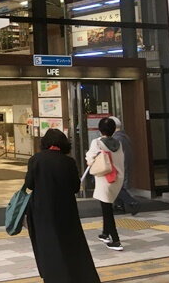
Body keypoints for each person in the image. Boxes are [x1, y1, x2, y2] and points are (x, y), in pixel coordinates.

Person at [25, 129, 100, 283]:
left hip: (42, 210)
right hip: (66, 210)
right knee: (71, 243)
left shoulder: (35, 159)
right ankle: (78, 276)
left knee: (47, 244)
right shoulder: (69, 161)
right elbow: (75, 187)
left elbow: (30, 184)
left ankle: (53, 277)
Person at [85, 117, 125, 251]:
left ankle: (116, 240)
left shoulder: (97, 142)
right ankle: (105, 233)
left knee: (107, 209)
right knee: (106, 205)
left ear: (100, 129)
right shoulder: (119, 143)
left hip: (105, 178)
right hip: (117, 178)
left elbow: (90, 159)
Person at [111, 116, 140, 215]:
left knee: (117, 186)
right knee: (118, 186)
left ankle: (132, 202)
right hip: (124, 164)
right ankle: (119, 205)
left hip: (119, 165)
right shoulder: (124, 137)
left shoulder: (117, 138)